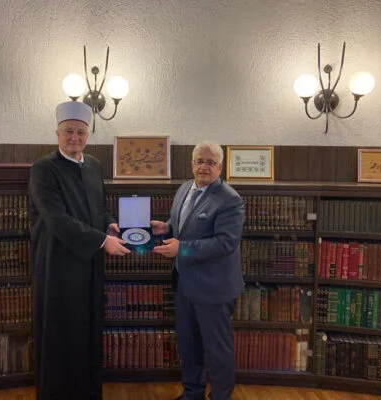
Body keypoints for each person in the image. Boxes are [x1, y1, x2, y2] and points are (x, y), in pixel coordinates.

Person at [28, 101, 131, 400]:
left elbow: (100, 207)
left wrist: (109, 224)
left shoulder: (94, 165)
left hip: (90, 265)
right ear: (57, 134)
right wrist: (103, 241)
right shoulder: (43, 169)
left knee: (88, 331)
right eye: (69, 131)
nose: (74, 137)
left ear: (88, 135)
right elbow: (57, 219)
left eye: (80, 132)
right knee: (61, 335)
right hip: (58, 266)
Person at [151, 141, 244, 400]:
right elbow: (184, 225)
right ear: (192, 164)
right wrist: (166, 228)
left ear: (220, 167)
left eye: (211, 162)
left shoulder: (230, 200)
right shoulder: (184, 189)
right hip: (185, 284)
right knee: (188, 345)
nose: (204, 166)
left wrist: (182, 249)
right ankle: (192, 393)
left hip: (214, 288)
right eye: (199, 161)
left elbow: (225, 243)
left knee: (217, 350)